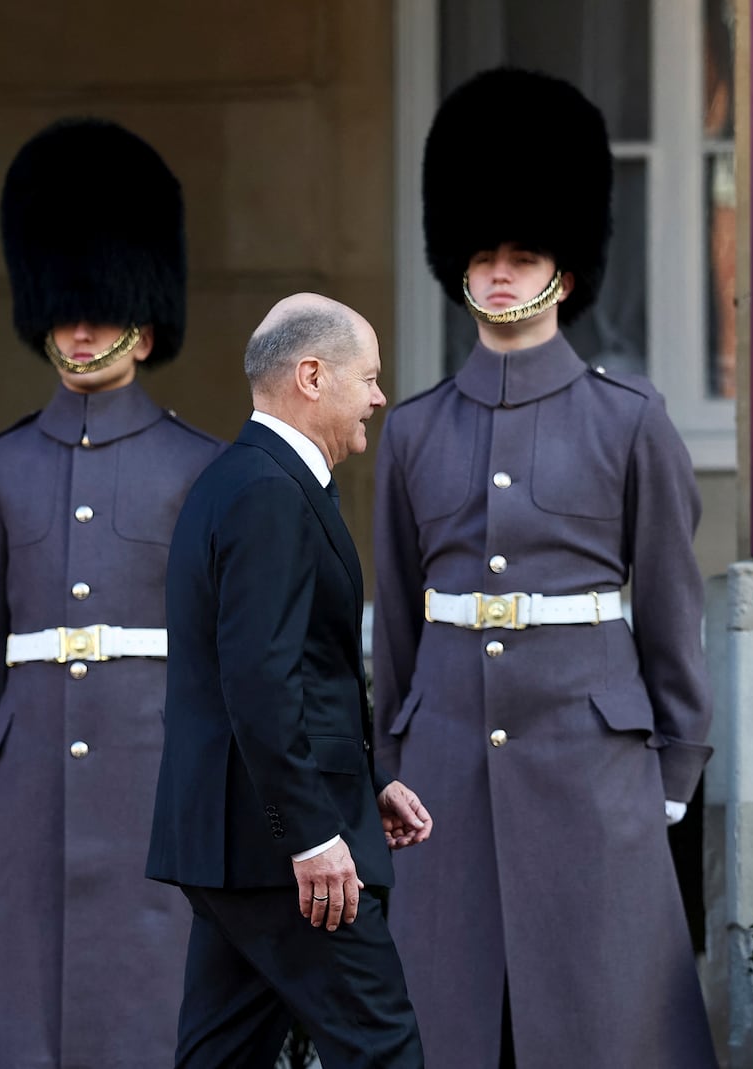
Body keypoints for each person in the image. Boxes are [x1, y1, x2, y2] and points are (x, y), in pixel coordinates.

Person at [371, 68, 719, 1068]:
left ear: (563, 265)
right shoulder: (412, 432)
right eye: (482, 253)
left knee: (605, 1025)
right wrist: (392, 763)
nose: (500, 274)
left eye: (522, 253)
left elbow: (666, 609)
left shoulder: (629, 419)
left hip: (591, 763)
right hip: (443, 769)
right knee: (453, 1022)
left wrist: (673, 769)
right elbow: (398, 621)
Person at [0, 116, 223, 1067]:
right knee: (29, 998)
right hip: (31, 772)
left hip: (153, 769)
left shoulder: (200, 467)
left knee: (150, 995)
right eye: (66, 306)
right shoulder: (4, 466)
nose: (79, 326)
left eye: (101, 308)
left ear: (143, 325)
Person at [148, 293, 430, 1069]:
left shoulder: (238, 478)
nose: (379, 396)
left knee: (222, 1057)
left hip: (238, 848)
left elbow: (298, 671)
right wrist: (311, 829)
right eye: (368, 377)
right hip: (285, 854)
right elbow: (261, 680)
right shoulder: (271, 492)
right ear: (312, 375)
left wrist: (364, 780)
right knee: (384, 1048)